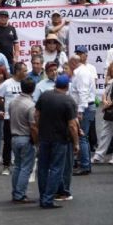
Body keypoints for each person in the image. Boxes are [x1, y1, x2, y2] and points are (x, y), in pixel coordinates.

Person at [35, 74, 79, 209]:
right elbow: (72, 125)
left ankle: (43, 196)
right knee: (56, 169)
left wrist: (39, 129)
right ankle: (48, 198)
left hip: (44, 137)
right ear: (67, 86)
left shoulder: (45, 96)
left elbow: (36, 115)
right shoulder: (68, 101)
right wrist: (76, 142)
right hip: (60, 139)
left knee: (42, 168)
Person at [9, 77, 37, 202]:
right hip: (25, 138)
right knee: (26, 168)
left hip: (14, 137)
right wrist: (37, 141)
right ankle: (20, 194)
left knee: (18, 166)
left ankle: (16, 191)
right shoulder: (31, 105)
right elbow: (33, 126)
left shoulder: (13, 102)